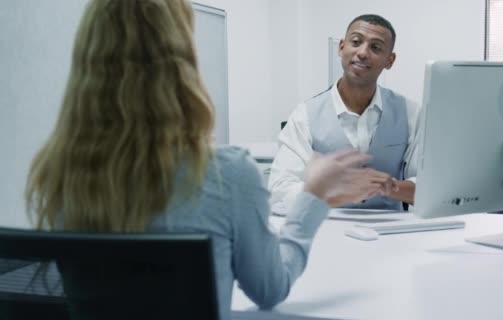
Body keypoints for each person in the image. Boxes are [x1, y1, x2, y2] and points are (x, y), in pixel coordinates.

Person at [24, 1, 382, 319]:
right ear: (181, 65)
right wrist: (314, 193)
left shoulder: (57, 172)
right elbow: (270, 289)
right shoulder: (225, 173)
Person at [269, 14, 421, 215]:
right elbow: (279, 194)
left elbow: (431, 189)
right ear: (341, 47)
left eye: (376, 47)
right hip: (325, 229)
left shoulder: (409, 112)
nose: (363, 53)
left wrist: (390, 187)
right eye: (356, 42)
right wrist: (331, 190)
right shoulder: (305, 114)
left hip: (391, 233)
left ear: (389, 60)